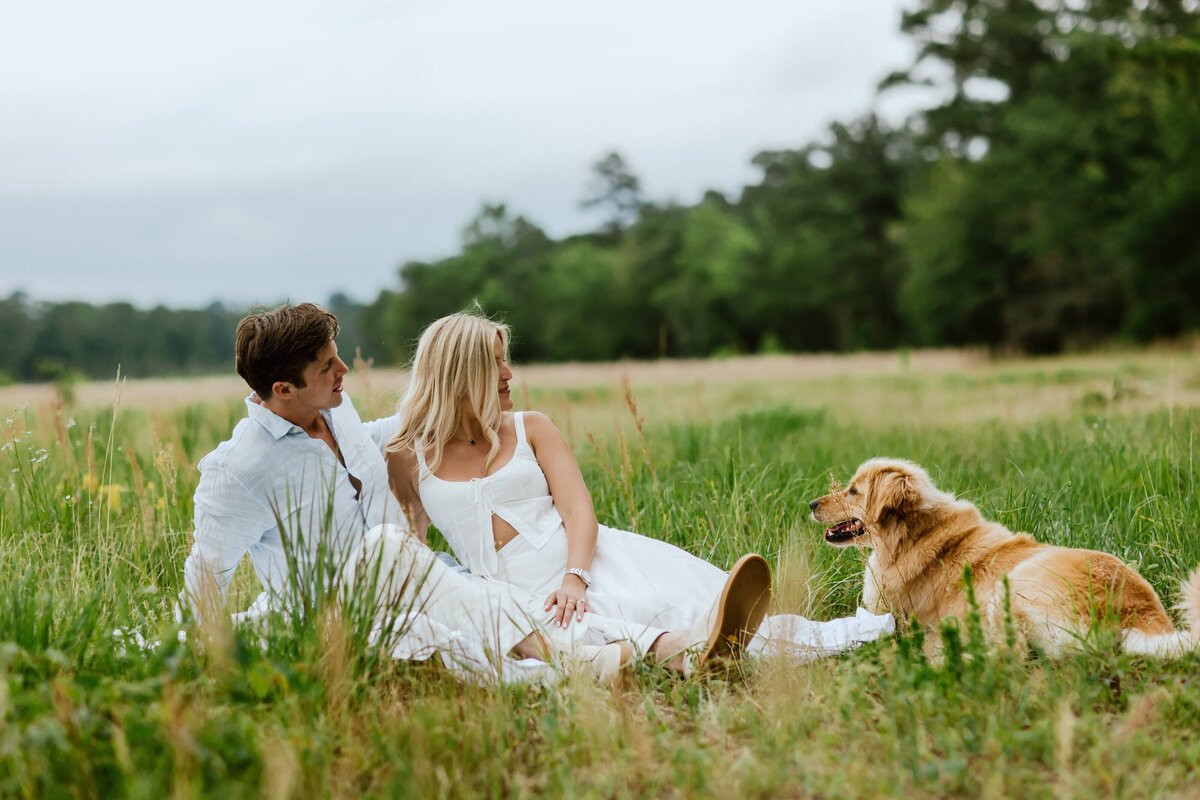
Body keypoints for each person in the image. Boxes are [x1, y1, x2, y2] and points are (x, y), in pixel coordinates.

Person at [177, 302, 764, 682]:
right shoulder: (237, 472)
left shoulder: (338, 411)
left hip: (406, 589)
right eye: (330, 367)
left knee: (466, 582)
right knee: (390, 545)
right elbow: (206, 575)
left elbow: (400, 433)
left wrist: (461, 397)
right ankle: (612, 656)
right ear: (283, 388)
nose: (344, 373)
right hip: (328, 613)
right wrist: (193, 662)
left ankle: (671, 648)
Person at [385, 312, 895, 668]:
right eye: (495, 362)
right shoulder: (408, 455)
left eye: (506, 358)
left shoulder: (531, 427)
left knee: (686, 612)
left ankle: (718, 645)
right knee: (574, 637)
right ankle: (685, 654)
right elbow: (414, 544)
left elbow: (578, 510)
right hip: (506, 593)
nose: (508, 372)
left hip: (581, 564)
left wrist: (575, 578)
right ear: (460, 371)